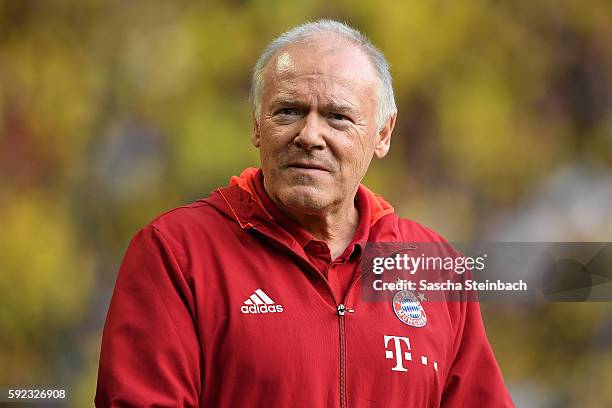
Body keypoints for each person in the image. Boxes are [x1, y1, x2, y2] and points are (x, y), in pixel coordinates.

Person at [95, 19, 514, 407]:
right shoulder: (176, 253)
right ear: (258, 124)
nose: (310, 135)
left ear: (382, 134)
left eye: (337, 117)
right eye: (290, 111)